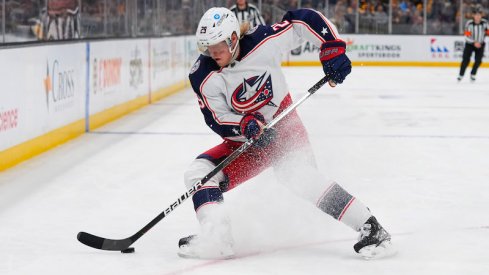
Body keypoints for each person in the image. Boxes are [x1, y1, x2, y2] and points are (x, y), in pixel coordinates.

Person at [179, 7, 393, 260]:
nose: (212, 53)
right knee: (199, 173)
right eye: (207, 47)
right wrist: (243, 125)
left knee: (297, 176)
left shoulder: (262, 42)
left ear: (233, 39)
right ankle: (217, 237)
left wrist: (331, 47)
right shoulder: (202, 75)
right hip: (245, 142)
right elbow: (215, 118)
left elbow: (301, 20)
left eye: (217, 46)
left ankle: (371, 228)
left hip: (283, 129)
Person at [457, 5, 488, 82]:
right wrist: (474, 42)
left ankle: (473, 74)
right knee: (465, 60)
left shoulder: (485, 23)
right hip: (470, 44)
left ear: (481, 15)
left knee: (478, 60)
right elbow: (466, 36)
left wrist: (481, 42)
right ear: (473, 15)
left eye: (479, 15)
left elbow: (487, 33)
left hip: (481, 44)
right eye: (476, 15)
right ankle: (461, 74)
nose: (477, 16)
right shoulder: (469, 23)